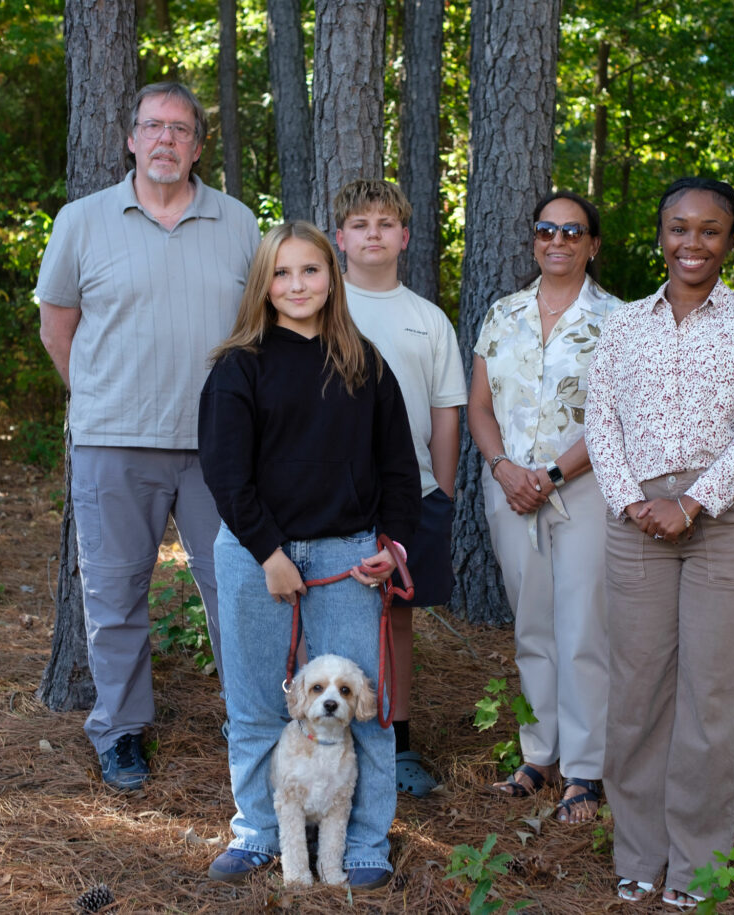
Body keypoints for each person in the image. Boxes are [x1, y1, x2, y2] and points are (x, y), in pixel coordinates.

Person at [36, 82, 260, 790]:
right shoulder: (82, 220)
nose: (166, 139)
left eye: (181, 128)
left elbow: (261, 327)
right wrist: (102, 396)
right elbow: (57, 325)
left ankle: (253, 719)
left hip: (219, 445)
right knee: (114, 590)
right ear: (131, 138)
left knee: (237, 586)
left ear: (198, 144)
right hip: (113, 441)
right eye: (153, 126)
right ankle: (121, 729)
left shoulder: (239, 223)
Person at [198, 221, 421, 891]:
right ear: (264, 285)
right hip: (255, 554)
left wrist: (394, 545)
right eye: (283, 273)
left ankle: (364, 842)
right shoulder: (238, 365)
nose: (297, 285)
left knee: (363, 707)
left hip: (349, 556)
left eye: (311, 271)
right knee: (262, 703)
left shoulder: (365, 362)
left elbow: (397, 468)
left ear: (333, 277)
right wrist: (269, 552)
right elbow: (225, 472)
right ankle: (262, 831)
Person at [584, 177, 734, 908]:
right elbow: (600, 419)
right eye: (679, 227)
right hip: (637, 518)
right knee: (637, 693)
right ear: (659, 233)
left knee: (714, 694)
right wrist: (633, 499)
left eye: (710, 230)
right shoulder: (624, 324)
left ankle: (699, 862)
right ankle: (640, 851)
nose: (692, 243)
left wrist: (695, 501)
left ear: (730, 239)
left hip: (722, 519)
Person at [467, 190, 624, 824]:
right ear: (534, 239)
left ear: (592, 244)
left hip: (584, 489)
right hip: (508, 488)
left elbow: (616, 417)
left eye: (572, 231)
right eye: (545, 230)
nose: (556, 241)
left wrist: (553, 473)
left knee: (584, 626)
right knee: (531, 626)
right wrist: (504, 469)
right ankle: (539, 754)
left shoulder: (619, 319)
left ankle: (585, 769)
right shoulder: (501, 313)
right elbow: (479, 406)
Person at [333, 179, 467, 798]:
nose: (373, 235)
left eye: (385, 224)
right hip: (329, 496)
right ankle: (327, 743)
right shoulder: (321, 305)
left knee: (396, 620)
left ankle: (400, 740)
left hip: (407, 496)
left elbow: (446, 411)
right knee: (325, 616)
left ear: (405, 237)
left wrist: (438, 491)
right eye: (360, 225)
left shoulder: (427, 319)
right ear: (340, 237)